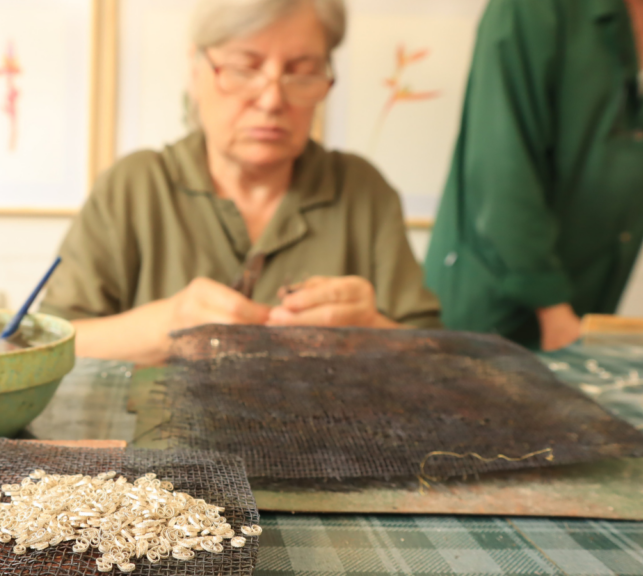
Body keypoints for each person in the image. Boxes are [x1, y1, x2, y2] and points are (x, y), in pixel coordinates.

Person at [40, 0, 441, 364]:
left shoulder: (363, 191)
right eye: (244, 69)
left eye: (301, 74)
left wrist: (371, 331)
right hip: (157, 443)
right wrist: (163, 328)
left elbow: (440, 356)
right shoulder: (134, 187)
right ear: (196, 71)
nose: (271, 100)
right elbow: (45, 345)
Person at [425, 0, 643, 351]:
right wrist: (553, 310)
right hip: (492, 307)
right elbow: (502, 170)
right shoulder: (529, 9)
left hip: (586, 301)